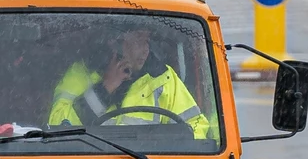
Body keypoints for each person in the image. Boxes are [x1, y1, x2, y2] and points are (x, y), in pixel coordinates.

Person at [48, 26, 211, 139]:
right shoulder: (80, 75)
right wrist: (104, 89)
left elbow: (196, 126)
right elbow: (57, 126)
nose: (146, 48)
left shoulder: (162, 77)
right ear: (115, 42)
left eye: (147, 41)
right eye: (139, 40)